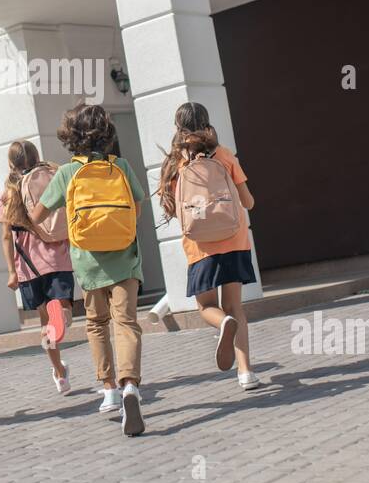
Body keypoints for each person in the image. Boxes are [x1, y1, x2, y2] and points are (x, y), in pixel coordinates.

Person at [30, 103, 147, 436]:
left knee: (97, 323)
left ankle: (109, 388)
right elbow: (136, 209)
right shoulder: (121, 166)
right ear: (106, 133)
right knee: (126, 323)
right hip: (125, 259)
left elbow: (37, 216)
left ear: (71, 136)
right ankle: (130, 386)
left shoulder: (67, 173)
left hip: (88, 262)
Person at [157, 102, 260, 389]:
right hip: (235, 239)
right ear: (207, 123)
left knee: (206, 307)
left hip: (200, 246)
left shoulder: (175, 164)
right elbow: (249, 202)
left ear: (178, 128)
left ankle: (220, 323)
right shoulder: (225, 155)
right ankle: (246, 372)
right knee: (234, 307)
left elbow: (173, 210)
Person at [0, 140, 75, 394]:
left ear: (10, 164)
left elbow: (6, 236)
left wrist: (11, 272)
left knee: (45, 323)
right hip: (58, 257)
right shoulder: (53, 177)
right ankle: (62, 313)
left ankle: (59, 372)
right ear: (37, 156)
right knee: (62, 309)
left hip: (29, 266)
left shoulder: (8, 192)